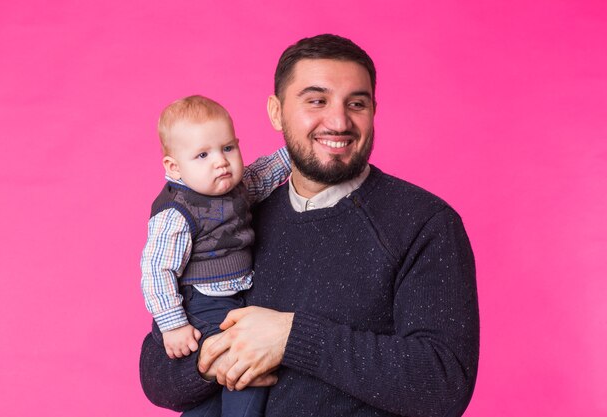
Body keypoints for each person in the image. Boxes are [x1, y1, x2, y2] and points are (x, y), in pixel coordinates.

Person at [140, 34, 479, 417]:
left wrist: (291, 338)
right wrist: (211, 361)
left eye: (357, 103)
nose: (338, 121)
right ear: (276, 111)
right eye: (316, 100)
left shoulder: (424, 223)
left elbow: (444, 382)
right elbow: (155, 374)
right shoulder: (236, 216)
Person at [140, 95, 291, 417]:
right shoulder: (177, 212)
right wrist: (173, 325)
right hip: (199, 304)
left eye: (228, 148)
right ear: (174, 167)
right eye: (202, 155)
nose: (220, 162)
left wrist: (297, 151)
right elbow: (157, 270)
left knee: (208, 400)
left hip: (235, 297)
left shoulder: (237, 186)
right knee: (242, 366)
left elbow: (266, 173)